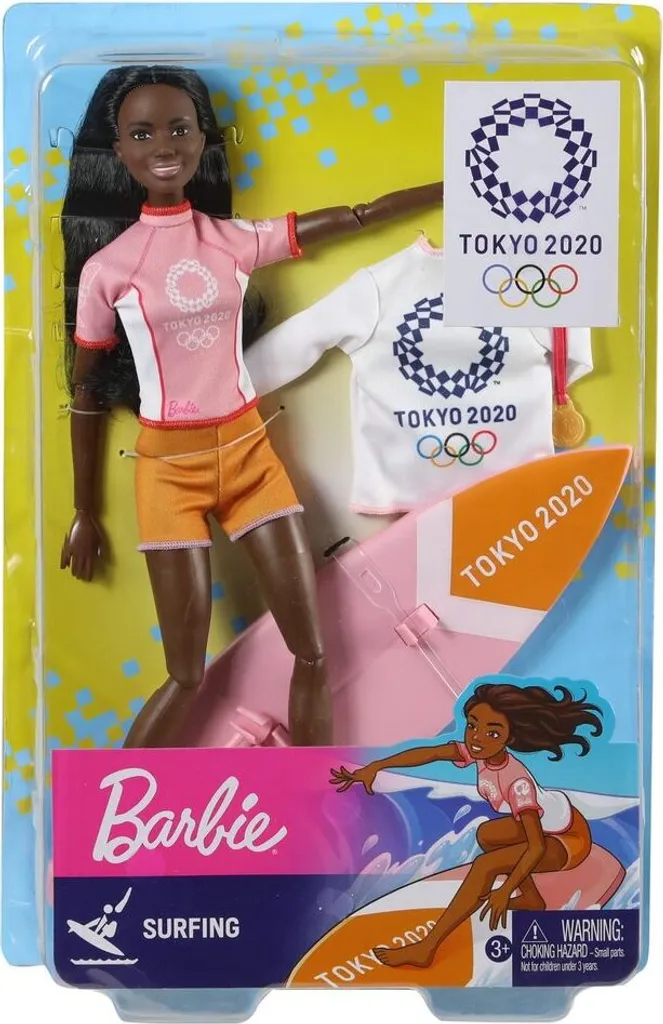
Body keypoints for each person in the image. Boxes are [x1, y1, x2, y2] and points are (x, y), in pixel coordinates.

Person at [59, 65, 443, 748]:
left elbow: (357, 216)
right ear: (117, 152)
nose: (163, 146)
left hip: (250, 458)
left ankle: (313, 788)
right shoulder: (108, 269)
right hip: (167, 471)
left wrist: (452, 190)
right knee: (186, 674)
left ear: (202, 139)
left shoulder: (233, 241)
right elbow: (85, 394)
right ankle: (111, 803)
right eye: (141, 134)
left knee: (313, 650)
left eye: (178, 129)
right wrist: (84, 511)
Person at [330, 681, 603, 967]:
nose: (477, 737)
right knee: (487, 835)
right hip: (545, 823)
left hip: (568, 838)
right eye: (472, 725)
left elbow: (536, 847)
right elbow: (430, 753)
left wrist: (506, 889)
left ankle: (426, 948)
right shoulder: (479, 752)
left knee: (485, 865)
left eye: (492, 732)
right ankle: (532, 899)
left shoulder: (517, 782)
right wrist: (377, 766)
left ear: (508, 737)